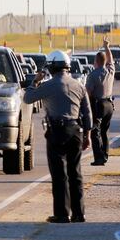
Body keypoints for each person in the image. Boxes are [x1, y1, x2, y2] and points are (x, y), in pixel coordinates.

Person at [23, 50, 92, 223]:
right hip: (76, 130)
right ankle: (79, 213)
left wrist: (35, 82)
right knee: (75, 172)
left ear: (52, 67)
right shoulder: (79, 85)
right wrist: (88, 135)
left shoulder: (48, 85)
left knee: (59, 174)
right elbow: (88, 113)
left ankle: (62, 214)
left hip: (57, 131)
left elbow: (27, 98)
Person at [86, 39, 116, 166]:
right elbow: (110, 59)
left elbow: (88, 92)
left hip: (99, 105)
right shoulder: (110, 70)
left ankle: (99, 157)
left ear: (96, 62)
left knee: (94, 131)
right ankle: (105, 155)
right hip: (109, 105)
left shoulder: (92, 75)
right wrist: (106, 47)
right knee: (104, 132)